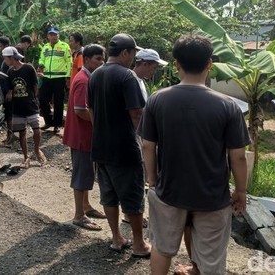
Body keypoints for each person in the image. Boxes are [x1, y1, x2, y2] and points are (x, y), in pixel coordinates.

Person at [139, 35, 248, 275]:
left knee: (162, 248)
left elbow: (148, 145)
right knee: (211, 260)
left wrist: (153, 181)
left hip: (169, 191)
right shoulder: (228, 106)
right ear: (209, 64)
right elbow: (237, 156)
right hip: (212, 196)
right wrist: (240, 191)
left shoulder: (158, 100)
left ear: (176, 63)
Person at [88, 33, 150, 258]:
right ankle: (139, 244)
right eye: (133, 53)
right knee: (133, 197)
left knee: (109, 195)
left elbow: (91, 110)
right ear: (125, 53)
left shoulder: (95, 75)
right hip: (125, 148)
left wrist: (101, 133)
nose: (133, 58)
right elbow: (137, 114)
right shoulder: (127, 76)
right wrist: (144, 142)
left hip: (100, 147)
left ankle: (116, 238)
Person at [121, 48, 168, 225]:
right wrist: (144, 137)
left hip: (140, 134)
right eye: (153, 67)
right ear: (144, 64)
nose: (153, 71)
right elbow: (137, 114)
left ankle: (132, 213)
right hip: (137, 135)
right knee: (136, 177)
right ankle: (131, 215)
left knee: (139, 176)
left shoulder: (139, 81)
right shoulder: (132, 81)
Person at [63, 44, 107, 231]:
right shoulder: (83, 80)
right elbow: (80, 110)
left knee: (87, 172)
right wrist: (101, 122)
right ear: (87, 59)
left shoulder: (88, 78)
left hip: (85, 136)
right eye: (98, 59)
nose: (101, 63)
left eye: (103, 59)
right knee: (82, 174)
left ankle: (86, 207)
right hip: (82, 135)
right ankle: (79, 215)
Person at [3, 46, 45, 168]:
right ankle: (26, 157)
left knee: (36, 128)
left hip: (30, 104)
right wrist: (10, 93)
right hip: (17, 106)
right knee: (22, 132)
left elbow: (35, 85)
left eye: (5, 58)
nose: (4, 61)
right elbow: (11, 87)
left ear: (11, 58)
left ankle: (36, 149)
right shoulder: (10, 72)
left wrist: (33, 98)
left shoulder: (28, 68)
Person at [37, 26, 72, 134]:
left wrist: (68, 77)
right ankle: (48, 121)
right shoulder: (45, 47)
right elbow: (42, 58)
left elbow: (69, 62)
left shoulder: (64, 46)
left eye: (55, 34)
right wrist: (41, 65)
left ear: (58, 35)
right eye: (51, 34)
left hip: (60, 78)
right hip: (46, 77)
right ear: (48, 36)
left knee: (58, 102)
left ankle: (57, 124)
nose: (53, 36)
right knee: (42, 99)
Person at [0, 36, 13, 145]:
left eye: (0, 47)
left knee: (9, 114)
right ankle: (10, 136)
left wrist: (10, 91)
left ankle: (10, 137)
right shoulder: (5, 60)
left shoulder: (9, 60)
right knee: (8, 114)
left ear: (6, 46)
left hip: (9, 91)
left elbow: (12, 76)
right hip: (5, 89)